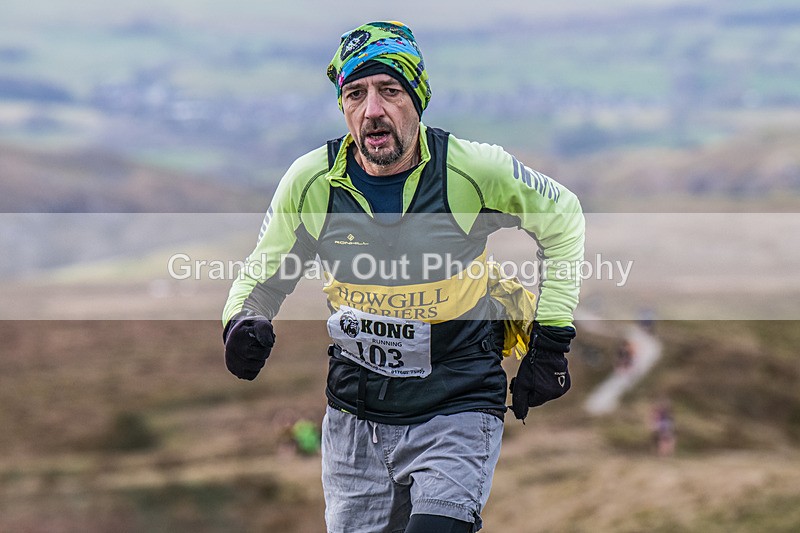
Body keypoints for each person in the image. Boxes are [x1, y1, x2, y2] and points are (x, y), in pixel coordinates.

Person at [222, 21, 585, 533]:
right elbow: (262, 277)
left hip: (456, 404)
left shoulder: (469, 171)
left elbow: (562, 215)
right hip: (355, 417)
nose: (372, 109)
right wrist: (241, 322)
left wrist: (551, 341)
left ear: (418, 99)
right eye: (355, 94)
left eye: (389, 90)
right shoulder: (312, 183)